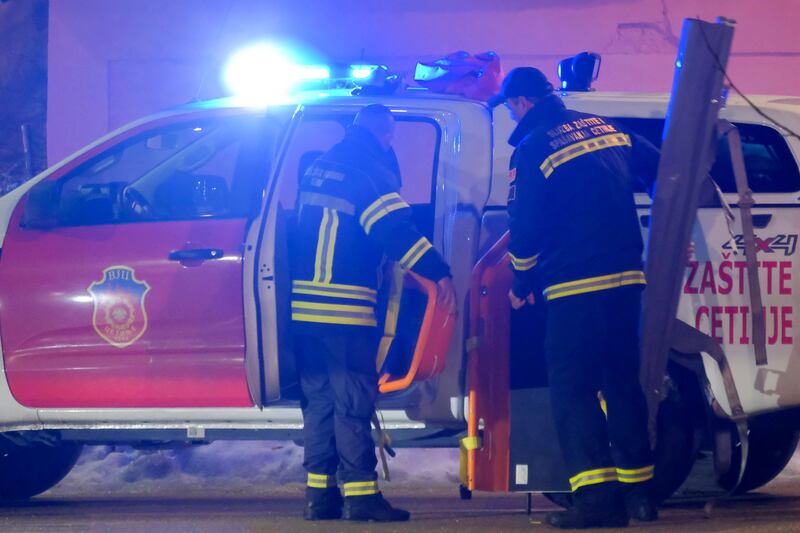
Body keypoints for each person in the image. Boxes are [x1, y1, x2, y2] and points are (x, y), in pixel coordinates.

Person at [491, 67, 660, 529]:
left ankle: (594, 503)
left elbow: (524, 228)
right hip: (627, 281)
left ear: (522, 102)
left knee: (574, 392)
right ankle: (639, 497)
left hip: (574, 287)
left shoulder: (532, 148)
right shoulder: (606, 127)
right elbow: (664, 171)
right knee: (623, 385)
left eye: (509, 106)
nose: (510, 114)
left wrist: (521, 284)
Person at [290, 104, 456, 522]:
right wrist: (440, 273)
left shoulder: (321, 167)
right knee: (352, 402)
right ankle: (362, 498)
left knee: (320, 401)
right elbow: (398, 234)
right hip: (344, 310)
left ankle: (319, 498)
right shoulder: (370, 174)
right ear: (385, 136)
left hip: (304, 310)